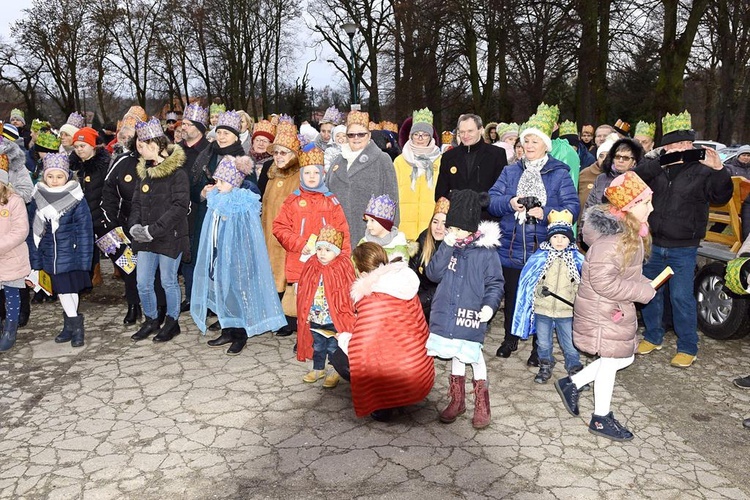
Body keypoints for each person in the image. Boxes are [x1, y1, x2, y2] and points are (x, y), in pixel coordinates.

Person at [555, 171, 657, 441]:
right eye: (646, 202)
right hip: (603, 311)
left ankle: (573, 383)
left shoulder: (629, 236)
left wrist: (647, 282)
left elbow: (625, 275)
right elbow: (603, 283)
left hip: (613, 309)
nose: (652, 207)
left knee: (622, 357)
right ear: (630, 206)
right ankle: (600, 417)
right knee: (615, 360)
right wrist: (641, 291)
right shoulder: (612, 243)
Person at [634, 111, 733, 367]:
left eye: (683, 143)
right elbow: (635, 179)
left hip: (683, 247)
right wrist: (658, 160)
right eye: (672, 144)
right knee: (650, 293)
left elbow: (721, 196)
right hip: (654, 245)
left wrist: (720, 169)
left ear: (691, 144)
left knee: (681, 297)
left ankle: (688, 347)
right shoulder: (657, 168)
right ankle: (653, 336)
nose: (678, 148)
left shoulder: (703, 170)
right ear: (665, 146)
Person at [488, 110, 580, 362]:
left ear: (545, 145)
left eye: (534, 141)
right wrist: (510, 202)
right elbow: (492, 201)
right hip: (511, 245)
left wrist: (546, 211)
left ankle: (539, 348)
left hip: (543, 246)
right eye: (525, 141)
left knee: (541, 297)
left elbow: (573, 207)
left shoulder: (559, 172)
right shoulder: (510, 172)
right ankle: (510, 338)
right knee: (513, 293)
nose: (528, 145)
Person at [190, 156, 286, 355]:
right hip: (218, 255)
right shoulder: (217, 198)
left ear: (234, 182)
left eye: (222, 181)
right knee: (223, 291)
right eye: (216, 181)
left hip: (237, 257)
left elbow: (248, 232)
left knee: (237, 293)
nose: (217, 185)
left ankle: (240, 334)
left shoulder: (242, 200)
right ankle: (228, 329)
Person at [425, 190, 503, 429]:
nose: (453, 234)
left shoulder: (485, 252)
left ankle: (482, 403)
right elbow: (433, 274)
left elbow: (495, 282)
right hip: (447, 311)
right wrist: (446, 248)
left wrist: (489, 306)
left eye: (459, 230)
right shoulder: (449, 246)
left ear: (470, 228)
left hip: (471, 312)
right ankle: (457, 399)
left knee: (472, 355)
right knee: (455, 352)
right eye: (451, 229)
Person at [341, 242, 434, 421]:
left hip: (401, 372)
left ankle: (384, 403)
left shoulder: (374, 299)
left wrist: (343, 338)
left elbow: (361, 346)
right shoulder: (404, 285)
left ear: (363, 273)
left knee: (341, 358)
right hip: (419, 370)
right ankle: (400, 399)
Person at [272, 147, 352, 343]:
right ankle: (305, 338)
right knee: (304, 300)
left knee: (324, 300)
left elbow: (343, 232)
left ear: (322, 174)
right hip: (302, 262)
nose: (311, 176)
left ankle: (325, 338)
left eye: (316, 172)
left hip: (327, 263)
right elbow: (279, 227)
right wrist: (299, 244)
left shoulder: (331, 201)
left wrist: (344, 261)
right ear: (301, 174)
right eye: (307, 172)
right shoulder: (293, 201)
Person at [128, 118, 190, 343]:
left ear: (156, 145)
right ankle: (151, 319)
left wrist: (154, 230)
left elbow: (179, 207)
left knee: (168, 281)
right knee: (142, 282)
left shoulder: (177, 173)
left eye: (142, 146)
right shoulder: (144, 171)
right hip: (144, 237)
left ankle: (172, 322)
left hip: (169, 237)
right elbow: (136, 203)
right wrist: (134, 226)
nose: (140, 151)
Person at [512, 210, 584, 383]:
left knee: (570, 345)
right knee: (543, 343)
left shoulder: (577, 260)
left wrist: (577, 295)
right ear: (549, 238)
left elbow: (584, 285)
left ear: (570, 239)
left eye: (564, 237)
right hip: (542, 309)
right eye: (555, 237)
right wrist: (537, 292)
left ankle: (575, 371)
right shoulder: (540, 258)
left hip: (567, 311)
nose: (559, 241)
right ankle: (545, 365)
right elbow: (530, 282)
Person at [29, 153, 93, 347]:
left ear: (67, 176)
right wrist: (36, 261)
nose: (54, 181)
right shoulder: (37, 197)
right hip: (50, 255)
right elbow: (33, 232)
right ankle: (71, 326)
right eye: (50, 176)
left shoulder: (76, 197)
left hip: (71, 253)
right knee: (64, 291)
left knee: (69, 291)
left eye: (59, 177)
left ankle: (75, 325)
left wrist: (84, 260)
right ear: (44, 177)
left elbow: (84, 230)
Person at [294, 226, 356, 387]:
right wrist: (305, 310)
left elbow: (348, 292)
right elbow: (304, 289)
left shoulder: (342, 266)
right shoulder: (311, 264)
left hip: (334, 317)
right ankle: (318, 368)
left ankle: (335, 370)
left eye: (328, 250)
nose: (322, 253)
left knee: (334, 346)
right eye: (319, 248)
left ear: (336, 251)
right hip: (316, 315)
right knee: (318, 345)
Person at [326, 110, 400, 243]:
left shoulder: (382, 159)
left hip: (370, 235)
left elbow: (392, 199)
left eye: (361, 134)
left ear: (369, 135)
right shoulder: (337, 161)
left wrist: (389, 234)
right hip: (338, 236)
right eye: (351, 134)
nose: (356, 138)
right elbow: (326, 195)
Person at [260, 117, 302, 337]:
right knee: (272, 273)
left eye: (283, 153)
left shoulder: (298, 177)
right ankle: (275, 315)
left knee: (287, 275)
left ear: (294, 155)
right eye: (275, 153)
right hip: (270, 234)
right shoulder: (271, 175)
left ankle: (290, 319)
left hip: (287, 237)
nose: (278, 157)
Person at [434, 114, 507, 221]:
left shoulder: (497, 154)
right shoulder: (449, 157)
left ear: (481, 130)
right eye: (462, 132)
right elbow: (440, 194)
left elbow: (500, 191)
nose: (465, 135)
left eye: (470, 131)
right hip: (457, 220)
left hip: (486, 220)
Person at [176, 103, 210, 313]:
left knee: (201, 254)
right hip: (180, 209)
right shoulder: (176, 151)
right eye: (183, 124)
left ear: (199, 127)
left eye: (188, 124)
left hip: (202, 209)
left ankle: (206, 298)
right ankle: (190, 296)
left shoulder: (209, 151)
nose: (183, 127)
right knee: (186, 254)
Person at [70, 126, 111, 287]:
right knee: (86, 251)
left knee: (117, 252)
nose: (79, 150)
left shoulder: (105, 165)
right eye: (76, 147)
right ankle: (89, 279)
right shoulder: (74, 167)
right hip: (83, 218)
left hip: (102, 218)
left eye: (82, 146)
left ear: (92, 145)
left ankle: (132, 282)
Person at [393, 108, 442, 240]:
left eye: (425, 134)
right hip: (403, 227)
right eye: (416, 134)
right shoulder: (400, 161)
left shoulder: (440, 160)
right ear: (411, 135)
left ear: (430, 137)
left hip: (431, 226)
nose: (420, 138)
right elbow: (392, 193)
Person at [0, 155, 31, 351]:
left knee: (12, 293)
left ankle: (10, 329)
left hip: (11, 255)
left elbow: (20, 230)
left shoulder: (14, 201)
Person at [409, 197, 449, 321]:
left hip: (442, 300)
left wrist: (419, 300)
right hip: (420, 292)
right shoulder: (423, 238)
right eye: (435, 221)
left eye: (444, 223)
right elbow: (411, 271)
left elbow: (445, 286)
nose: (438, 227)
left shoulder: (452, 247)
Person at [584, 138, 644, 214]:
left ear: (634, 162)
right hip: (599, 223)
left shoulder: (638, 181)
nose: (620, 160)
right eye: (617, 156)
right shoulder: (601, 178)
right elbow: (589, 206)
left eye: (626, 158)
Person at [578, 134, 617, 221]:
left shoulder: (619, 177)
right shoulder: (585, 174)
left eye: (608, 156)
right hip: (584, 224)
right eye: (601, 156)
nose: (604, 159)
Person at [359, 194, 409, 261]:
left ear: (384, 223)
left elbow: (401, 268)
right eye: (367, 220)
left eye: (372, 220)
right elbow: (355, 263)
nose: (368, 224)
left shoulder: (398, 245)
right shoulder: (363, 243)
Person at [249, 119, 276, 195]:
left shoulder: (275, 163)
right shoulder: (244, 159)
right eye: (257, 140)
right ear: (253, 142)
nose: (260, 144)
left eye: (264, 141)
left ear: (271, 145)